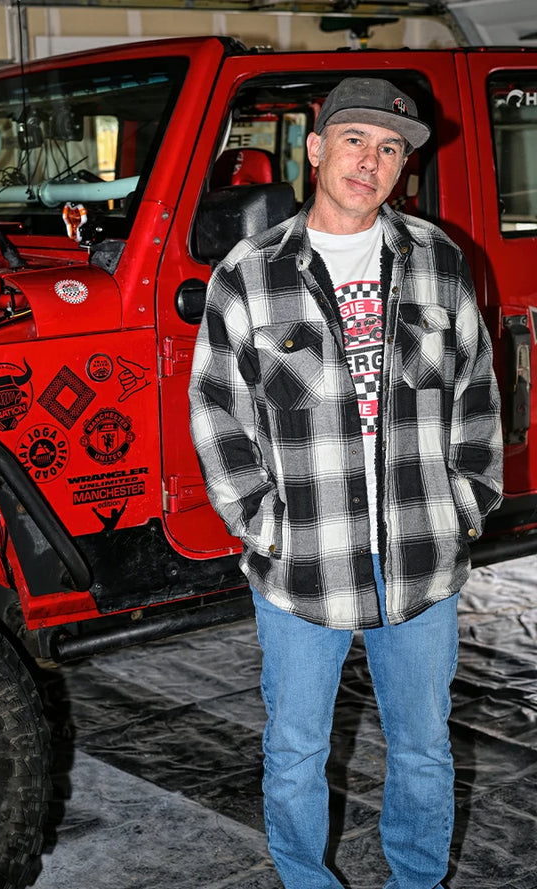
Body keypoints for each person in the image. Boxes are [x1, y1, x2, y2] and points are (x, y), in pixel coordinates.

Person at [188, 76, 503, 889]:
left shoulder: (438, 261)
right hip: (301, 565)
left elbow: (477, 394)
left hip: (422, 563)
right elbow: (217, 411)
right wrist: (262, 525)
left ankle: (417, 881)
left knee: (425, 748)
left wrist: (465, 505)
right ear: (317, 148)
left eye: (392, 149)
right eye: (356, 140)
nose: (373, 161)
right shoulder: (250, 274)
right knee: (295, 749)